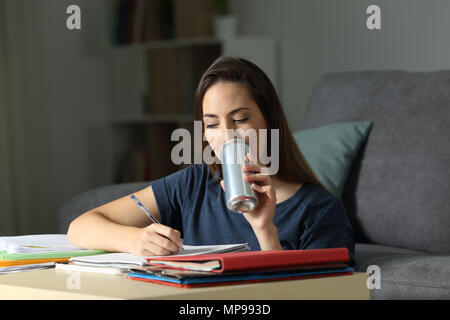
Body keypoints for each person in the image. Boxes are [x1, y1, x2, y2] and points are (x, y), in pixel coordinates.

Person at [67, 56, 355, 264]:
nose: (227, 135)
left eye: (240, 119)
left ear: (270, 120)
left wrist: (265, 231)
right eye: (213, 124)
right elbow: (81, 226)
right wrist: (135, 240)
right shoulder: (193, 184)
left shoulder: (320, 211)